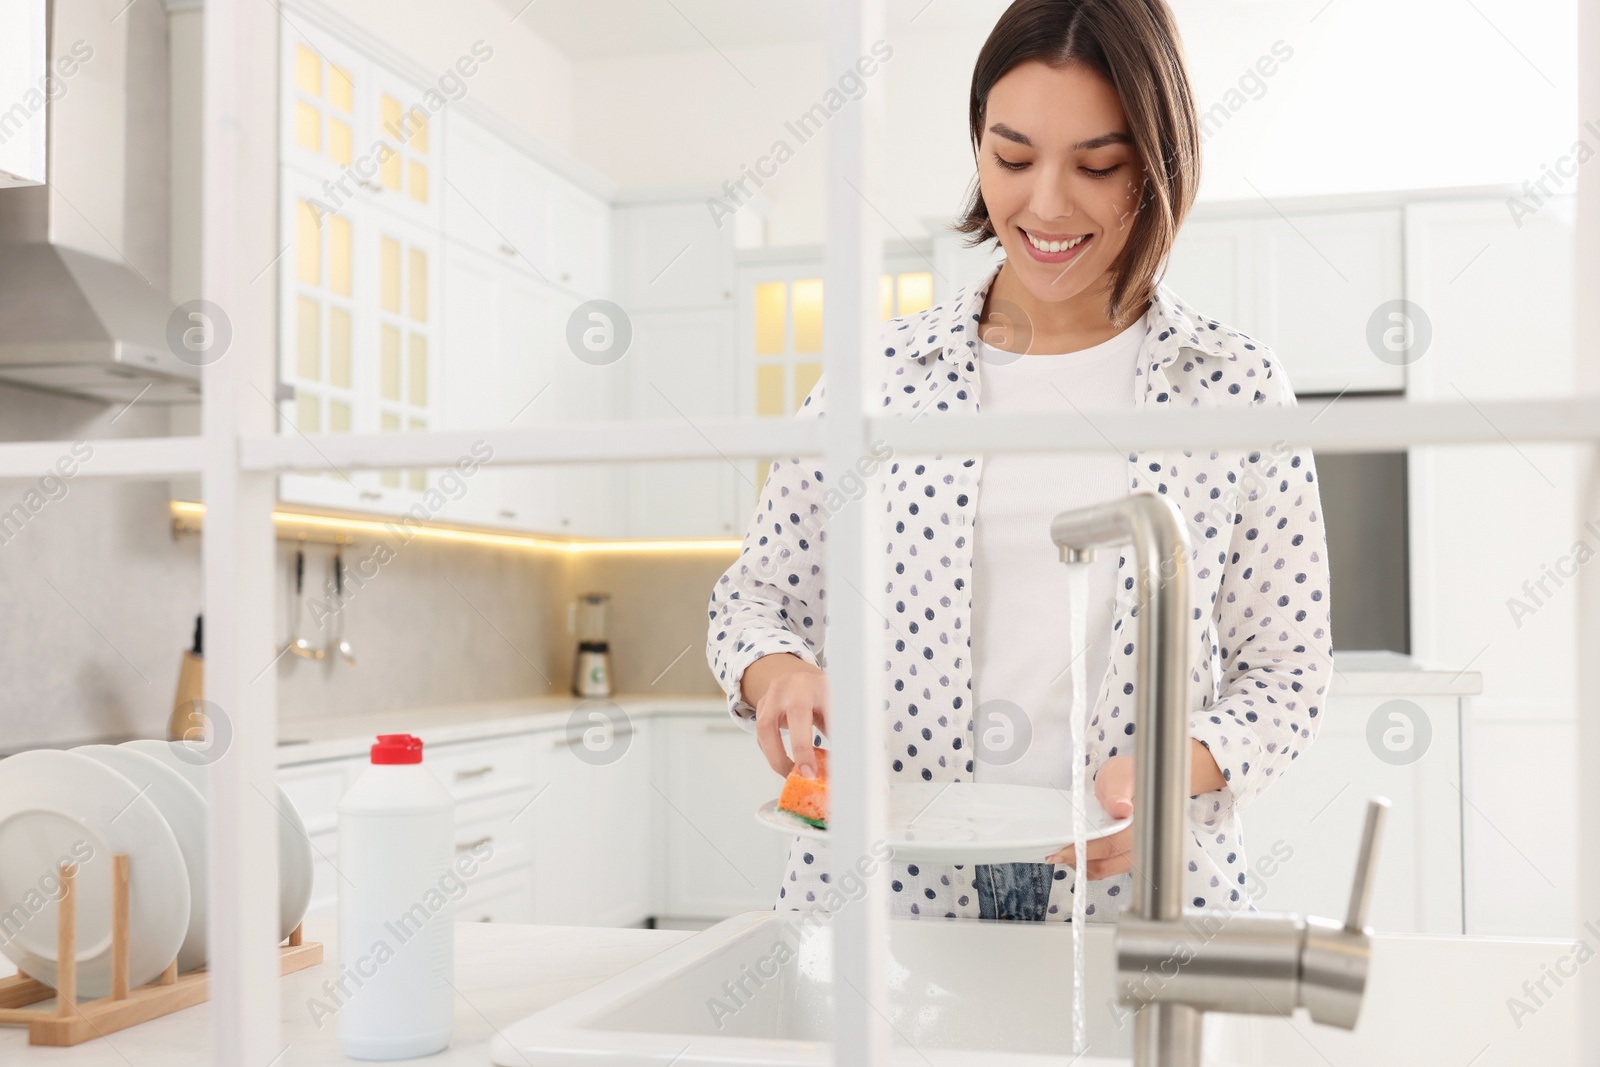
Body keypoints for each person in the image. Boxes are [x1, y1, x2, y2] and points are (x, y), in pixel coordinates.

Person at [705, 0, 1331, 923]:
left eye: (1099, 165)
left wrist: (1176, 769)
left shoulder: (1234, 389)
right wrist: (779, 672)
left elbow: (1288, 670)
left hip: (1141, 887)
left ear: (1161, 164)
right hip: (894, 896)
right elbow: (754, 598)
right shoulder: (876, 381)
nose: (1044, 204)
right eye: (1011, 157)